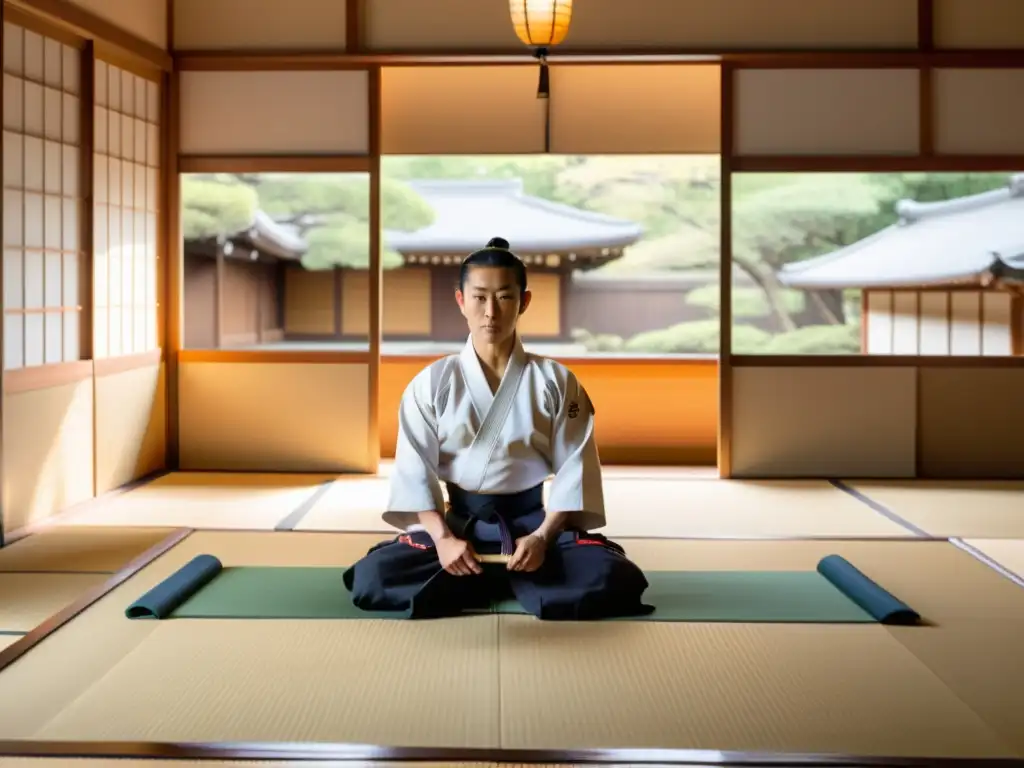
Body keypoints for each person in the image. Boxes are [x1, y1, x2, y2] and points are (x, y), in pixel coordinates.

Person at [342, 237, 653, 621]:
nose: (491, 311)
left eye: (505, 297)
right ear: (461, 301)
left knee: (612, 576)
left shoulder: (555, 380)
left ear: (523, 302)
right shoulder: (433, 382)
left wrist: (542, 538)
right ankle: (485, 572)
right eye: (479, 297)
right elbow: (413, 471)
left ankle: (487, 577)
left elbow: (576, 468)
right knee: (374, 577)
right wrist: (442, 540)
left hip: (534, 529)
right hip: (457, 527)